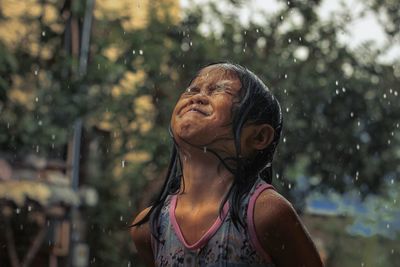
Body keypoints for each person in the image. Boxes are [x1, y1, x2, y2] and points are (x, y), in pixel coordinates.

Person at [130, 62, 324, 267]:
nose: (197, 96)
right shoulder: (150, 228)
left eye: (220, 90)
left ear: (259, 136)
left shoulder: (265, 213)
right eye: (192, 90)